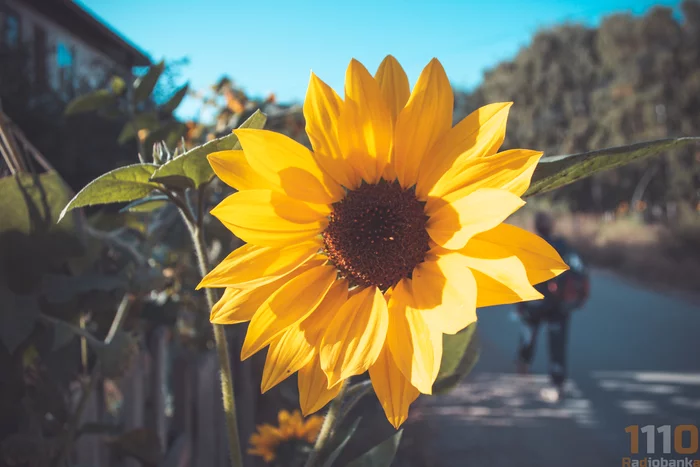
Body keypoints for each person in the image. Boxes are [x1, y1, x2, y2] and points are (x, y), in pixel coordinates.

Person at [515, 211, 590, 403]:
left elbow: (517, 276)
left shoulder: (530, 246)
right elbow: (581, 271)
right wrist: (579, 299)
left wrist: (519, 304)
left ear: (536, 226)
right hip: (560, 306)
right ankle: (557, 384)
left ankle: (524, 363)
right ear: (552, 225)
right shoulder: (564, 247)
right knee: (557, 345)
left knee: (528, 337)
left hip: (534, 304)